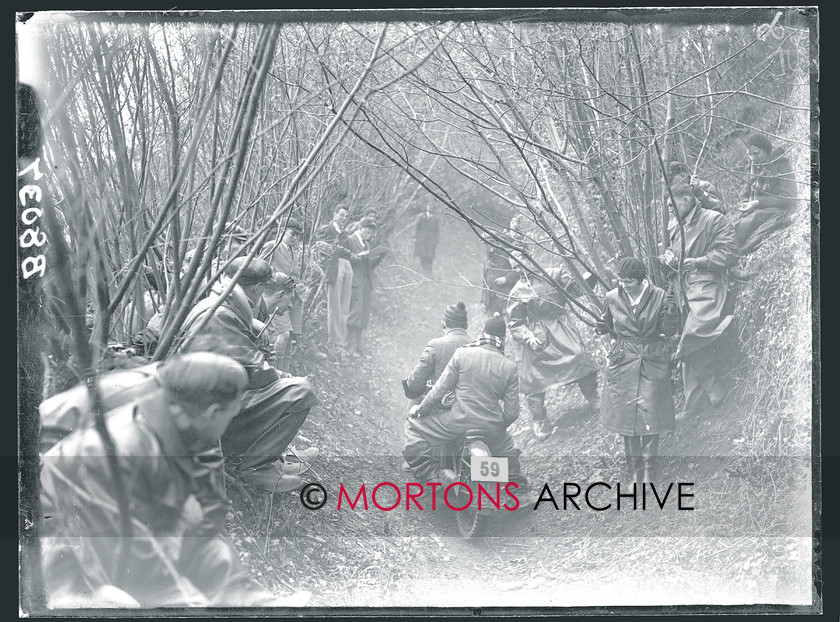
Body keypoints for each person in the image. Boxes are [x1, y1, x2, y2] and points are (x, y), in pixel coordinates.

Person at [39, 352, 311, 608]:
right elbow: (138, 566)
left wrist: (252, 601)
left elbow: (201, 529)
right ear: (214, 413)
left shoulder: (171, 421)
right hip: (46, 538)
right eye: (233, 412)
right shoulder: (119, 451)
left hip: (94, 522)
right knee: (113, 599)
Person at [177, 256, 319, 492]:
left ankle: (270, 460)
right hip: (205, 413)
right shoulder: (223, 315)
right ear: (257, 288)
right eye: (263, 288)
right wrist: (285, 377)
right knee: (301, 391)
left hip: (203, 403)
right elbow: (257, 373)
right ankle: (256, 469)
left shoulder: (220, 305)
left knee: (284, 389)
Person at [404, 313, 523, 484]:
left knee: (413, 427)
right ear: (503, 339)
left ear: (483, 333)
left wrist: (420, 409)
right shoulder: (510, 367)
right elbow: (512, 413)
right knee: (507, 454)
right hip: (491, 427)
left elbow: (439, 390)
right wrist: (497, 425)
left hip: (457, 422)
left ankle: (431, 476)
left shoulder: (462, 354)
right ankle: (517, 491)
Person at [595, 257, 681, 485]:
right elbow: (607, 324)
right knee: (627, 418)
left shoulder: (660, 295)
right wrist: (601, 327)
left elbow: (669, 329)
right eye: (620, 280)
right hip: (623, 360)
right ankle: (635, 470)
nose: (623, 285)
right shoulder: (612, 297)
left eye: (628, 281)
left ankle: (650, 470)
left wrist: (671, 314)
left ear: (641, 279)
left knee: (651, 414)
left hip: (652, 357)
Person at [659, 185, 738, 420]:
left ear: (686, 199)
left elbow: (731, 253)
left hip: (708, 285)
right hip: (681, 289)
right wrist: (667, 259)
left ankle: (714, 387)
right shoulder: (674, 225)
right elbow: (670, 262)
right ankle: (694, 403)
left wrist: (700, 261)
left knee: (690, 337)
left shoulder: (713, 219)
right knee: (685, 339)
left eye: (673, 205)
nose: (670, 210)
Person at [507, 264, 600, 440]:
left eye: (521, 262)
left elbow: (576, 290)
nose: (520, 268)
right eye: (515, 266)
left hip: (561, 327)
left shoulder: (555, 273)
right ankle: (539, 419)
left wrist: (590, 274)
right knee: (533, 378)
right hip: (538, 336)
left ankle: (593, 397)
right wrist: (529, 337)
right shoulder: (517, 291)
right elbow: (515, 322)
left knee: (580, 357)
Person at [734, 132, 797, 256]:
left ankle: (730, 253)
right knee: (733, 226)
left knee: (746, 224)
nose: (752, 158)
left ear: (766, 151)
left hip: (778, 210)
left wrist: (758, 202)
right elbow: (745, 192)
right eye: (749, 154)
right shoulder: (753, 167)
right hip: (757, 209)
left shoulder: (781, 164)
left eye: (756, 153)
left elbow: (789, 198)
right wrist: (745, 203)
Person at [401, 302, 472, 408]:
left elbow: (414, 384)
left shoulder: (436, 345)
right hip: (466, 409)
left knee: (413, 406)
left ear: (443, 323)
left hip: (439, 407)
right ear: (466, 325)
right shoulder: (476, 347)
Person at [262, 217, 307, 371]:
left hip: (291, 298)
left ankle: (285, 374)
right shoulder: (271, 246)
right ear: (282, 231)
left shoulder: (294, 251)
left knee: (289, 339)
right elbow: (261, 268)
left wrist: (299, 286)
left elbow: (294, 274)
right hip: (275, 296)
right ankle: (274, 371)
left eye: (297, 235)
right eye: (292, 234)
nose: (295, 238)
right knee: (283, 334)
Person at [346, 217, 386, 354]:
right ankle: (350, 344)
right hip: (354, 282)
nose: (369, 235)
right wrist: (360, 255)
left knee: (363, 314)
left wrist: (379, 258)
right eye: (367, 232)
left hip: (365, 283)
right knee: (354, 313)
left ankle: (358, 345)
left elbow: (369, 265)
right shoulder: (350, 240)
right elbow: (346, 260)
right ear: (360, 228)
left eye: (371, 233)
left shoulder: (367, 244)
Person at [315, 207, 353, 348]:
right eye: (341, 214)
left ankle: (342, 339)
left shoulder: (345, 234)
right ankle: (334, 339)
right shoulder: (327, 229)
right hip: (334, 267)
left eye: (346, 215)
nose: (344, 217)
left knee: (344, 305)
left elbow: (349, 252)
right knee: (334, 305)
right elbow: (320, 244)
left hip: (347, 266)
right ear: (334, 214)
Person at [481, 235, 521, 318]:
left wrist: (506, 278)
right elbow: (484, 281)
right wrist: (483, 302)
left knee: (513, 322)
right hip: (491, 300)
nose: (488, 246)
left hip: (506, 296)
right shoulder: (486, 260)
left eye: (491, 242)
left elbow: (519, 272)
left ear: (497, 242)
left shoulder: (507, 255)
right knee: (495, 326)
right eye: (486, 244)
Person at [413, 205, 440, 276]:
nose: (430, 208)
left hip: (431, 240)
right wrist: (415, 237)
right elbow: (416, 227)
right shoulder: (421, 217)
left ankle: (429, 271)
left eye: (432, 207)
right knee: (423, 255)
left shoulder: (436, 218)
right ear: (427, 208)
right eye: (429, 207)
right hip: (422, 239)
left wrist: (436, 240)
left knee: (430, 256)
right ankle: (424, 271)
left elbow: (437, 231)